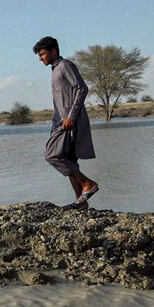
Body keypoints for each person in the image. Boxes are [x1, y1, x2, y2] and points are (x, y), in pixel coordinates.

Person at [33, 36, 99, 209]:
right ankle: (81, 201)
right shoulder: (55, 69)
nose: (40, 58)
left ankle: (88, 184)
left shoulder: (65, 66)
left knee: (52, 155)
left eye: (42, 54)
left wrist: (71, 116)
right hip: (60, 120)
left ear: (53, 51)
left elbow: (82, 88)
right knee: (68, 158)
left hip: (69, 120)